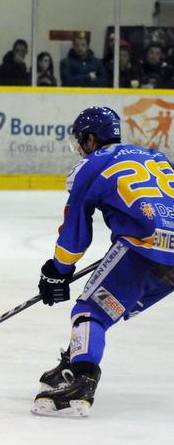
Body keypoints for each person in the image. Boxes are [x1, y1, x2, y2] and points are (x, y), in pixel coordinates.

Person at [34, 107, 174, 417]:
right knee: (107, 307)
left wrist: (58, 271)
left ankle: (82, 381)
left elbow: (75, 233)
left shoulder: (91, 165)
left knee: (91, 311)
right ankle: (73, 362)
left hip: (142, 248)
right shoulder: (157, 157)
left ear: (90, 138)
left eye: (81, 140)